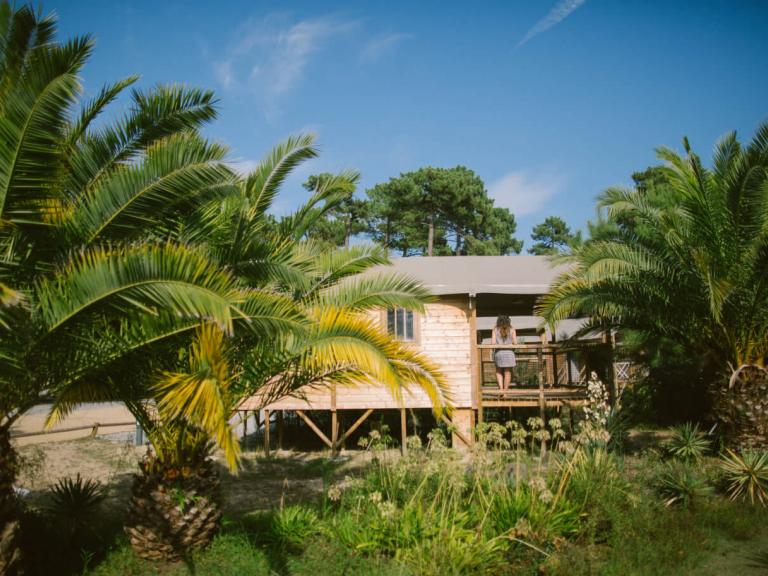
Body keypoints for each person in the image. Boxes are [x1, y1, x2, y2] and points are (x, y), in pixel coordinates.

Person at [491, 315, 517, 389]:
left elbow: (493, 343)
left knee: (498, 372)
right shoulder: (512, 329)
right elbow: (515, 343)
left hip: (499, 353)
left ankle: (501, 390)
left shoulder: (495, 329)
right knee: (507, 372)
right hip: (509, 353)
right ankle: (505, 391)